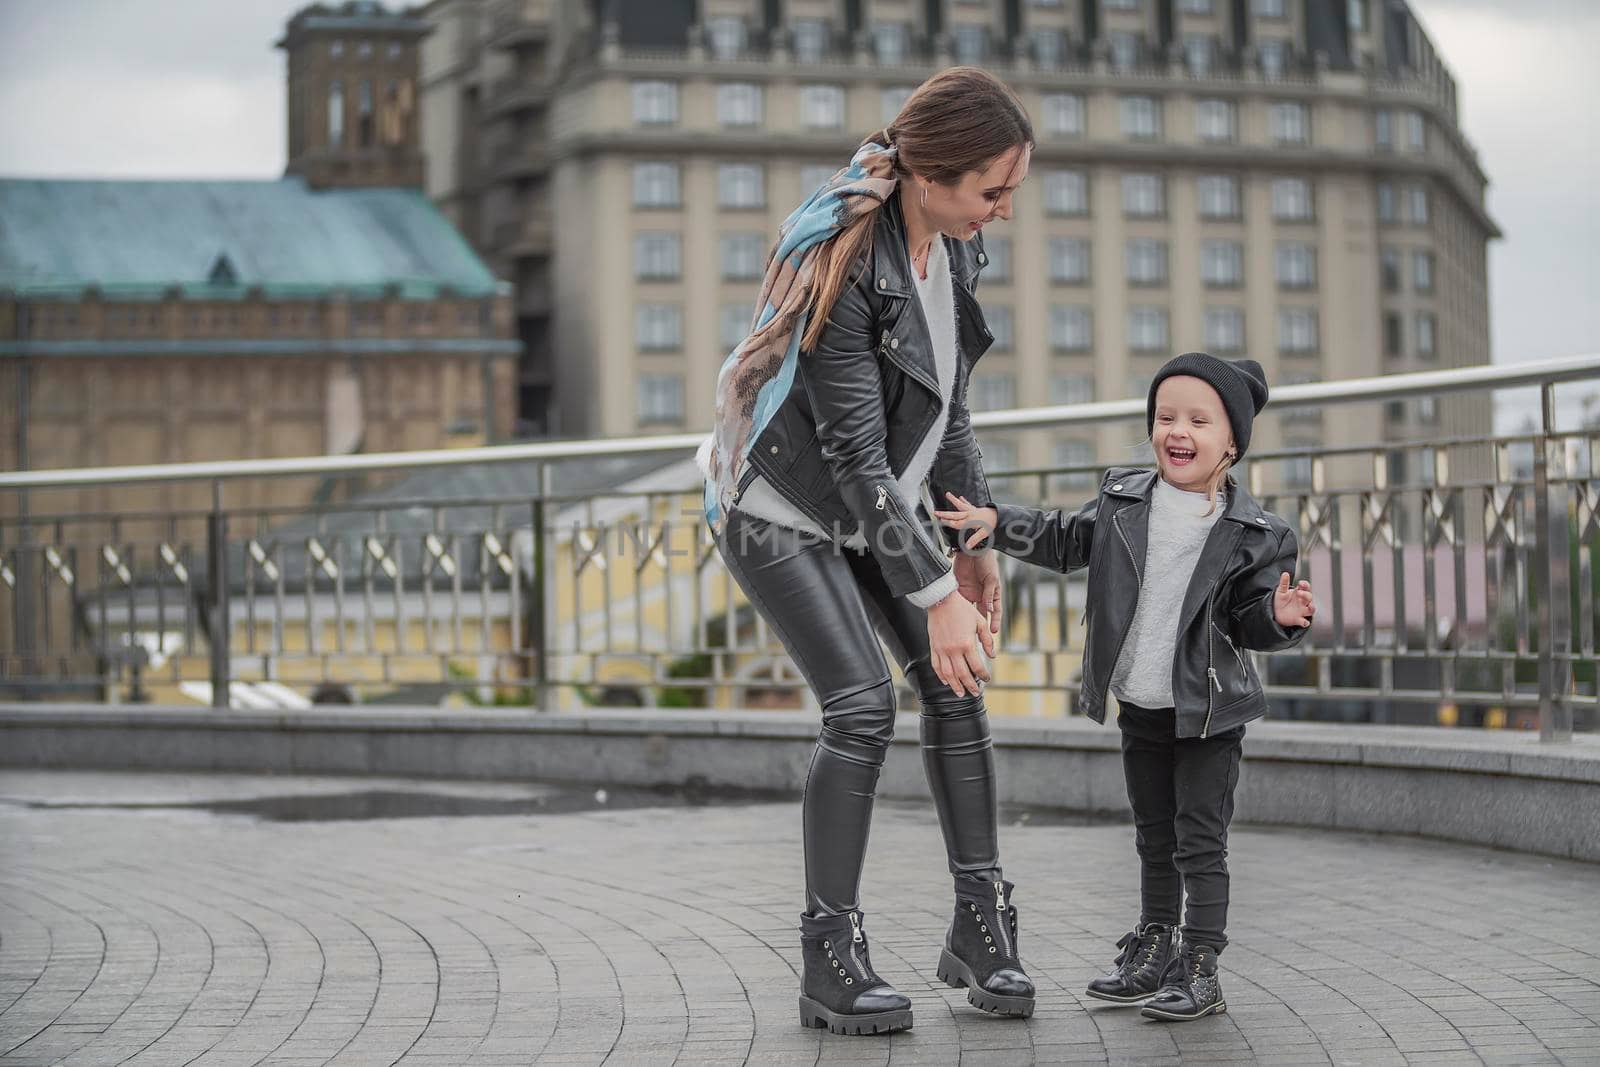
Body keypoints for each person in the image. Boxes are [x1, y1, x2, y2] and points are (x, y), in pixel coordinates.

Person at [694, 67, 1035, 1035]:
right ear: (930, 173)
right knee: (860, 702)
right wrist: (931, 591)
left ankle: (980, 925)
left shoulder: (951, 253)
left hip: (869, 501)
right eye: (990, 191)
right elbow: (851, 454)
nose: (1000, 213)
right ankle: (829, 955)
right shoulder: (850, 260)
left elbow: (949, 406)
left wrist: (970, 545)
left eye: (1009, 193)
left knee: (955, 683)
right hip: (778, 502)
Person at [935, 352, 1316, 1022]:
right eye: (1167, 415)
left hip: (1208, 716)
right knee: (1152, 836)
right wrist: (998, 522)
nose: (1179, 430)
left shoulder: (1258, 532)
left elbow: (1248, 621)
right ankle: (1155, 945)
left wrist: (1280, 619)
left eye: (1200, 419)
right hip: (1141, 703)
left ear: (1231, 441)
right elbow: (1064, 537)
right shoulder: (1124, 501)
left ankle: (1200, 963)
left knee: (1200, 841)